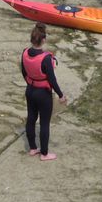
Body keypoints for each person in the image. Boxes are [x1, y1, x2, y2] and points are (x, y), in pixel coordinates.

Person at [21, 23, 67, 160]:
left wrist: (31, 83)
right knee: (44, 123)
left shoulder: (24, 52)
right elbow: (52, 80)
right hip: (43, 94)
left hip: (30, 90)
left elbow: (24, 72)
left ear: (31, 39)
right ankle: (45, 154)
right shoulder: (46, 58)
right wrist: (61, 95)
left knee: (31, 118)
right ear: (44, 40)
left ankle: (33, 148)